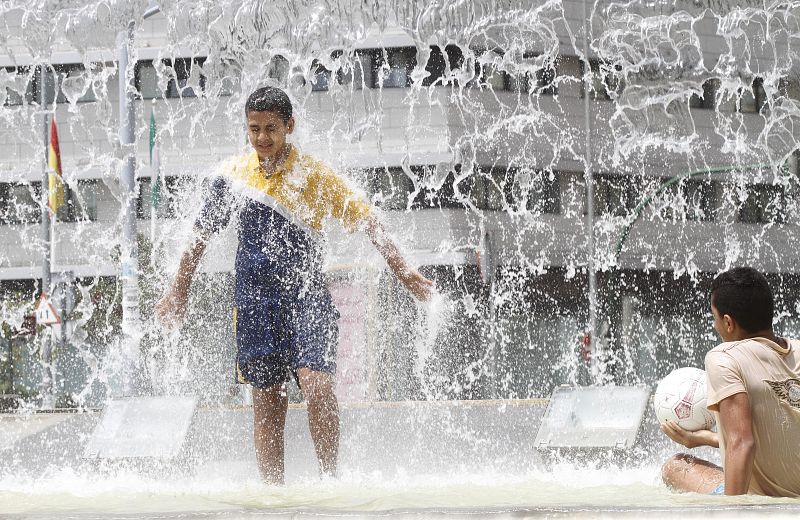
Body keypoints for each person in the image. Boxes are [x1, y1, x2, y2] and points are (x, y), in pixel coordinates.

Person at [155, 86, 434, 484]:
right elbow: (200, 235)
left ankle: (330, 479)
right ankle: (273, 495)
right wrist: (179, 289)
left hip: (307, 297)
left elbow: (368, 220)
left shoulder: (314, 175)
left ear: (290, 126)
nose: (262, 138)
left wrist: (403, 271)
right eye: (254, 129)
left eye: (271, 128)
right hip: (254, 303)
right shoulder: (233, 177)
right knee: (267, 404)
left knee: (318, 386)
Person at [660, 266, 800, 497]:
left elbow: (742, 443)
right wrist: (706, 439)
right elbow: (783, 434)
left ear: (728, 322)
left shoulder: (724, 358)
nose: (715, 327)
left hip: (766, 498)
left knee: (675, 466)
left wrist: (731, 512)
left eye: (714, 318)